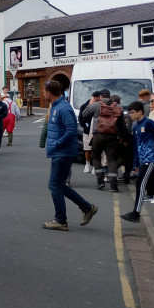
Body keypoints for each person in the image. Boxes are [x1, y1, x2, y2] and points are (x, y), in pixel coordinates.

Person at [42, 81, 98, 231]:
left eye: (44, 91)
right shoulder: (56, 106)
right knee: (58, 185)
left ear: (49, 92)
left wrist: (57, 144)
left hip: (63, 152)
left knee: (54, 185)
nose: (44, 93)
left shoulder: (63, 108)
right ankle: (87, 208)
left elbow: (71, 130)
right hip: (60, 152)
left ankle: (61, 220)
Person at [120, 101, 154, 224]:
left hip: (150, 158)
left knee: (140, 183)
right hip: (142, 159)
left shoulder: (149, 123)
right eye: (129, 113)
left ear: (140, 112)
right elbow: (136, 146)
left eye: (133, 113)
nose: (130, 115)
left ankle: (136, 213)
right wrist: (135, 163)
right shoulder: (135, 126)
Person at [88, 89, 126, 192]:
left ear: (101, 96)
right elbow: (122, 124)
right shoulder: (118, 106)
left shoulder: (96, 105)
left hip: (98, 135)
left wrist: (91, 103)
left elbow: (84, 114)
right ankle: (113, 186)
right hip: (112, 136)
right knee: (111, 159)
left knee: (96, 157)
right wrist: (121, 136)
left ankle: (100, 182)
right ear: (109, 96)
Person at [79, 91, 102, 173]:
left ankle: (94, 166)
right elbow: (80, 118)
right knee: (87, 149)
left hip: (97, 131)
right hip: (87, 131)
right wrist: (85, 127)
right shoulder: (84, 105)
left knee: (96, 149)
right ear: (96, 97)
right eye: (99, 97)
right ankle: (87, 164)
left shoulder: (100, 106)